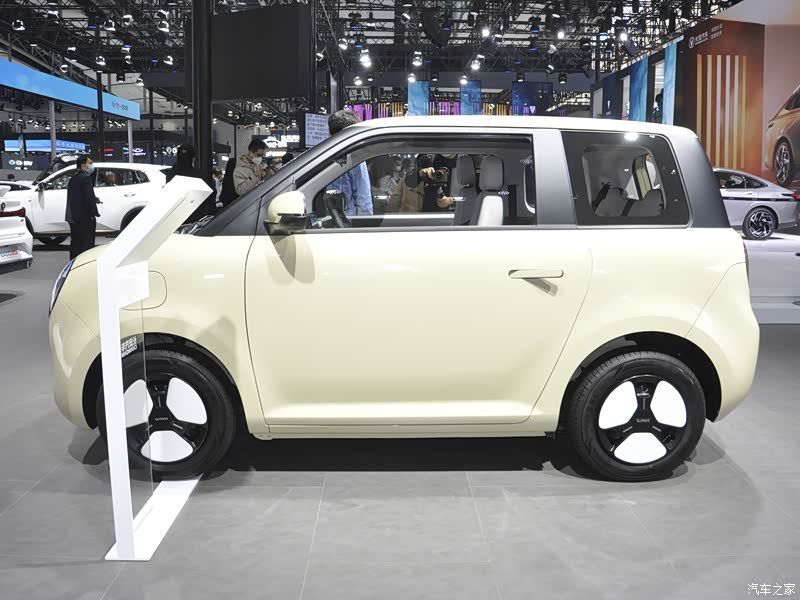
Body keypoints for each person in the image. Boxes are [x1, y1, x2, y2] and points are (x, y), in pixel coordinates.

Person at [326, 111, 373, 215]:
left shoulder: (321, 158)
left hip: (325, 220)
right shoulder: (355, 157)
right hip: (345, 221)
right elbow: (363, 200)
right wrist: (367, 223)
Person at [387, 154, 455, 213]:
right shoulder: (411, 177)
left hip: (446, 218)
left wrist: (452, 201)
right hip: (417, 219)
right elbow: (394, 202)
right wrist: (419, 174)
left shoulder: (458, 169)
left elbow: (393, 203)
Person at [65, 155, 100, 260]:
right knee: (87, 243)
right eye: (90, 163)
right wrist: (94, 213)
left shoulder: (73, 179)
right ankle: (84, 263)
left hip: (73, 217)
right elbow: (88, 198)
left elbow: (76, 196)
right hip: (85, 217)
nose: (92, 166)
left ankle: (73, 263)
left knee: (75, 242)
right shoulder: (86, 178)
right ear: (83, 165)